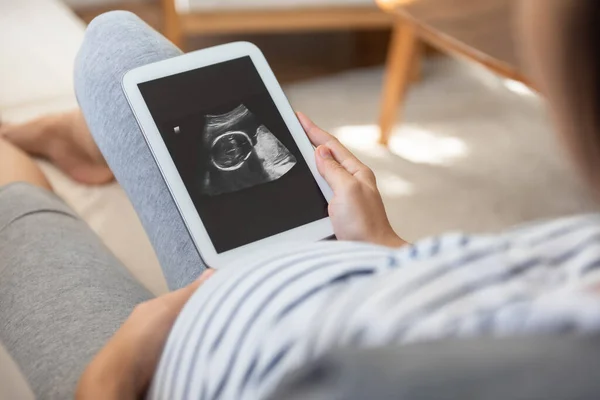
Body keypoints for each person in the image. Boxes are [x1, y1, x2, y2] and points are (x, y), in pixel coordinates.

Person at [2, 0, 600, 398]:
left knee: (16, 201)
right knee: (116, 46)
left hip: (170, 363)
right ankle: (94, 139)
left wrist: (123, 364)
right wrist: (388, 247)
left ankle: (92, 140)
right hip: (339, 257)